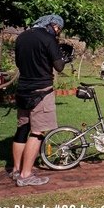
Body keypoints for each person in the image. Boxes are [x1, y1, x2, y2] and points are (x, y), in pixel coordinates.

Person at [10, 14, 71, 187]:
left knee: (22, 128)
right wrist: (64, 58)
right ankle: (26, 175)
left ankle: (16, 170)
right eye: (58, 28)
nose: (57, 32)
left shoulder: (21, 37)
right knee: (37, 132)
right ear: (53, 25)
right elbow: (59, 66)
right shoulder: (48, 38)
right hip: (41, 91)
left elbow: (19, 63)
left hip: (23, 89)